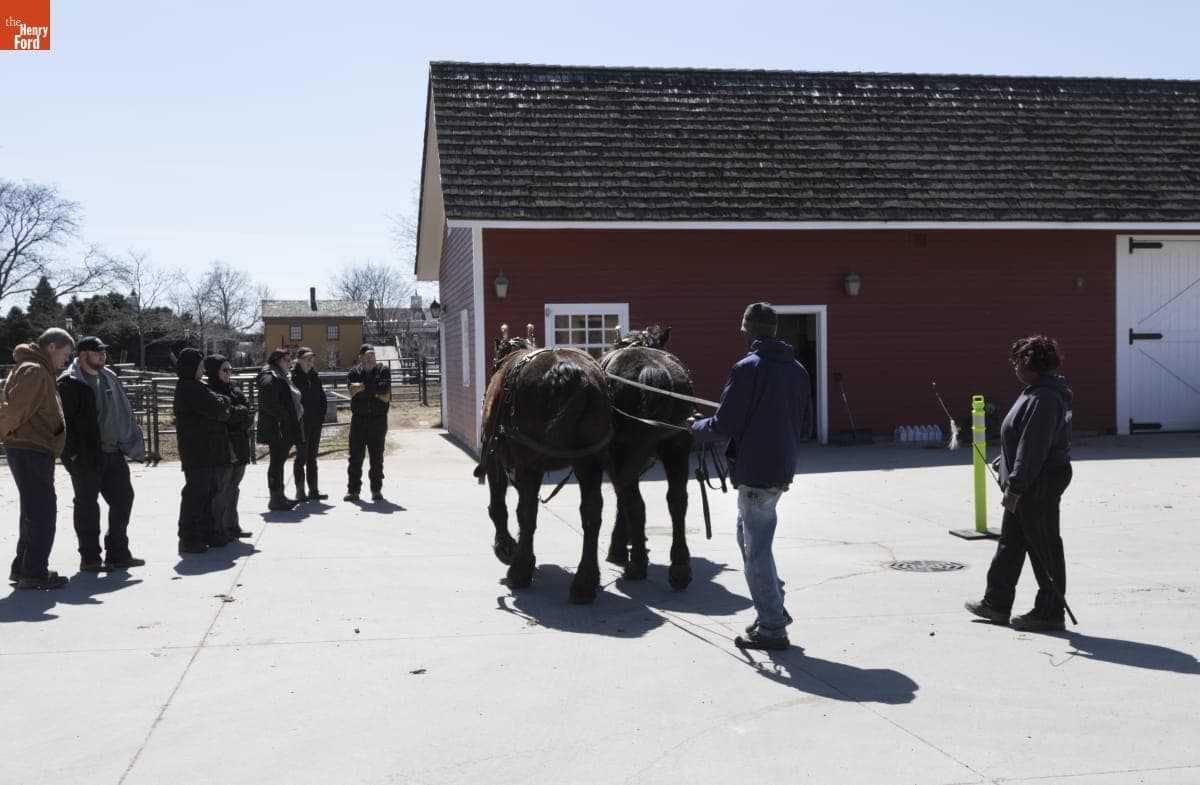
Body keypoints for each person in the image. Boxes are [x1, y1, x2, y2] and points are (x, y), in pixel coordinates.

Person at [691, 303, 810, 651]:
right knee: (750, 543)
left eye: (743, 328)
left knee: (755, 552)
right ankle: (776, 607)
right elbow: (803, 423)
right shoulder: (798, 370)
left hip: (757, 471)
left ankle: (772, 628)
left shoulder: (746, 368)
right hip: (780, 468)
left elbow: (723, 425)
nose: (741, 333)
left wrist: (693, 428)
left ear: (750, 329)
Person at [966, 335, 1073, 633]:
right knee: (1011, 543)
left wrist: (1016, 487)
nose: (1013, 367)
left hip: (1037, 483)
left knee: (1044, 545)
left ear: (1029, 364)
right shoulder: (1036, 392)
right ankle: (996, 604)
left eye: (1016, 362)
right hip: (1029, 478)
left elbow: (1035, 447)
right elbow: (1024, 438)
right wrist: (1006, 459)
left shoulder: (1044, 398)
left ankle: (1050, 612)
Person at [57, 335, 147, 572]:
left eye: (104, 352)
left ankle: (117, 552)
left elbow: (122, 413)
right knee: (87, 506)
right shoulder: (69, 383)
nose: (102, 355)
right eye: (97, 352)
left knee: (123, 499)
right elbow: (62, 421)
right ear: (83, 355)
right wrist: (71, 453)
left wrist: (130, 443)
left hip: (113, 452)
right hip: (85, 456)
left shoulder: (109, 378)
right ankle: (90, 558)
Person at [1, 328, 73, 589]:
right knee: (42, 513)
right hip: (30, 447)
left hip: (32, 447)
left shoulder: (35, 369)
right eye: (65, 354)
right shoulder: (34, 370)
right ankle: (33, 572)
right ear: (51, 347)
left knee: (33, 511)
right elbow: (16, 410)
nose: (66, 360)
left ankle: (23, 568)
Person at [174, 348, 233, 553]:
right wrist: (223, 404)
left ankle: (206, 532)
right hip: (196, 451)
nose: (203, 370)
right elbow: (220, 408)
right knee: (195, 493)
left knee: (209, 492)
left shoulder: (198, 387)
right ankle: (188, 537)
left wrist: (223, 404)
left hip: (208, 449)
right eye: (200, 366)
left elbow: (223, 405)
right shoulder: (189, 388)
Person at [204, 354, 253, 539]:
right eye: (224, 370)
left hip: (240, 444)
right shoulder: (210, 391)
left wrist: (240, 416)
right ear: (214, 372)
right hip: (223, 446)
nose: (228, 373)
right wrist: (239, 415)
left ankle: (232, 525)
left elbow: (247, 410)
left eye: (230, 369)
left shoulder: (234, 389)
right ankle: (218, 528)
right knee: (221, 489)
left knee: (234, 487)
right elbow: (226, 416)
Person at [256, 348, 304, 511]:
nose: (290, 363)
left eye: (290, 360)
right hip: (277, 428)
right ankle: (275, 498)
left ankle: (280, 496)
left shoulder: (280, 375)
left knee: (279, 462)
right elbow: (268, 402)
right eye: (286, 360)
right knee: (276, 463)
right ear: (277, 360)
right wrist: (285, 416)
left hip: (284, 427)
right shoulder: (270, 376)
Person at [344, 343, 390, 502]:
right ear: (360, 357)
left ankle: (376, 490)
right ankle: (353, 491)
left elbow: (385, 393)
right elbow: (351, 391)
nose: (370, 358)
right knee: (355, 457)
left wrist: (363, 388)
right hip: (359, 421)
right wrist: (375, 391)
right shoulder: (353, 372)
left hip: (378, 421)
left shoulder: (383, 370)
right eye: (367, 355)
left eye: (372, 355)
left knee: (377, 457)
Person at [291, 347, 328, 500]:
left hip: (315, 423)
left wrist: (321, 415)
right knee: (301, 457)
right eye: (307, 359)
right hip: (301, 424)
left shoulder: (315, 376)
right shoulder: (293, 378)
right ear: (299, 360)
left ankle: (314, 490)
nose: (310, 362)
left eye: (311, 359)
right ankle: (300, 491)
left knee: (312, 457)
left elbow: (322, 398)